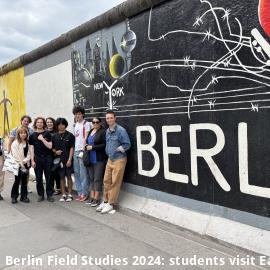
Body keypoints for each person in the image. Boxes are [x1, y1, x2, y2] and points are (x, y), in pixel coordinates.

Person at [96, 110, 131, 214]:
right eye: (107, 118)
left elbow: (127, 144)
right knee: (106, 181)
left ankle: (111, 204)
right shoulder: (107, 131)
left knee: (115, 182)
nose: (109, 120)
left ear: (115, 118)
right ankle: (105, 201)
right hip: (110, 159)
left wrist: (118, 149)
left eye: (111, 118)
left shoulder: (121, 130)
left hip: (119, 159)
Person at [29, 117, 54, 202]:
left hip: (47, 158)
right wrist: (32, 160)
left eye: (41, 122)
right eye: (38, 122)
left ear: (43, 124)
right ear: (35, 124)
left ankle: (49, 195)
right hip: (37, 159)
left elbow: (50, 146)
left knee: (49, 177)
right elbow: (31, 149)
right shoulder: (32, 136)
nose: (39, 124)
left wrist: (42, 139)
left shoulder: (47, 134)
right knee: (38, 177)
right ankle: (40, 195)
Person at [85, 117, 107, 207]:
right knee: (91, 178)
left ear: (100, 123)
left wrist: (93, 147)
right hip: (90, 158)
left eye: (97, 122)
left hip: (99, 159)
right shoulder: (90, 131)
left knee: (97, 179)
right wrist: (86, 145)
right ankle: (92, 197)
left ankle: (96, 198)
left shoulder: (103, 131)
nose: (95, 124)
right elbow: (87, 142)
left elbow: (104, 145)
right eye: (93, 122)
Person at [52, 118, 75, 202]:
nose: (61, 126)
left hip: (68, 159)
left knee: (69, 176)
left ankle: (70, 194)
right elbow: (52, 148)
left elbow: (72, 148)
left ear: (65, 125)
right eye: (59, 124)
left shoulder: (70, 135)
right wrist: (55, 151)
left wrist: (69, 159)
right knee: (61, 177)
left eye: (62, 124)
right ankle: (63, 194)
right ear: (57, 126)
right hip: (59, 161)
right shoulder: (54, 136)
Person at [72, 106, 91, 202]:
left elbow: (86, 137)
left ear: (82, 114)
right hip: (75, 151)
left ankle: (85, 193)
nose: (77, 115)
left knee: (83, 173)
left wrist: (83, 150)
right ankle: (79, 192)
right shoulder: (75, 125)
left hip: (82, 151)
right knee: (76, 172)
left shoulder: (86, 124)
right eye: (76, 114)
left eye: (79, 114)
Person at [10, 127, 31, 203]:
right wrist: (21, 164)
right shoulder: (15, 143)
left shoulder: (27, 142)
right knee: (17, 180)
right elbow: (15, 155)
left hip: (26, 164)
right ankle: (14, 197)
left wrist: (25, 161)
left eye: (25, 133)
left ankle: (24, 196)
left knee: (25, 181)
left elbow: (30, 154)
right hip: (18, 165)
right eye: (21, 133)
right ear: (18, 134)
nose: (23, 134)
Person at [46, 117, 61, 196]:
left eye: (51, 122)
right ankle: (51, 188)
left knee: (56, 172)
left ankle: (58, 188)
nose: (49, 123)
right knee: (49, 172)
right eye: (47, 122)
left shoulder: (57, 132)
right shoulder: (44, 132)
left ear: (53, 123)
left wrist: (55, 151)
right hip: (47, 155)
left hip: (56, 155)